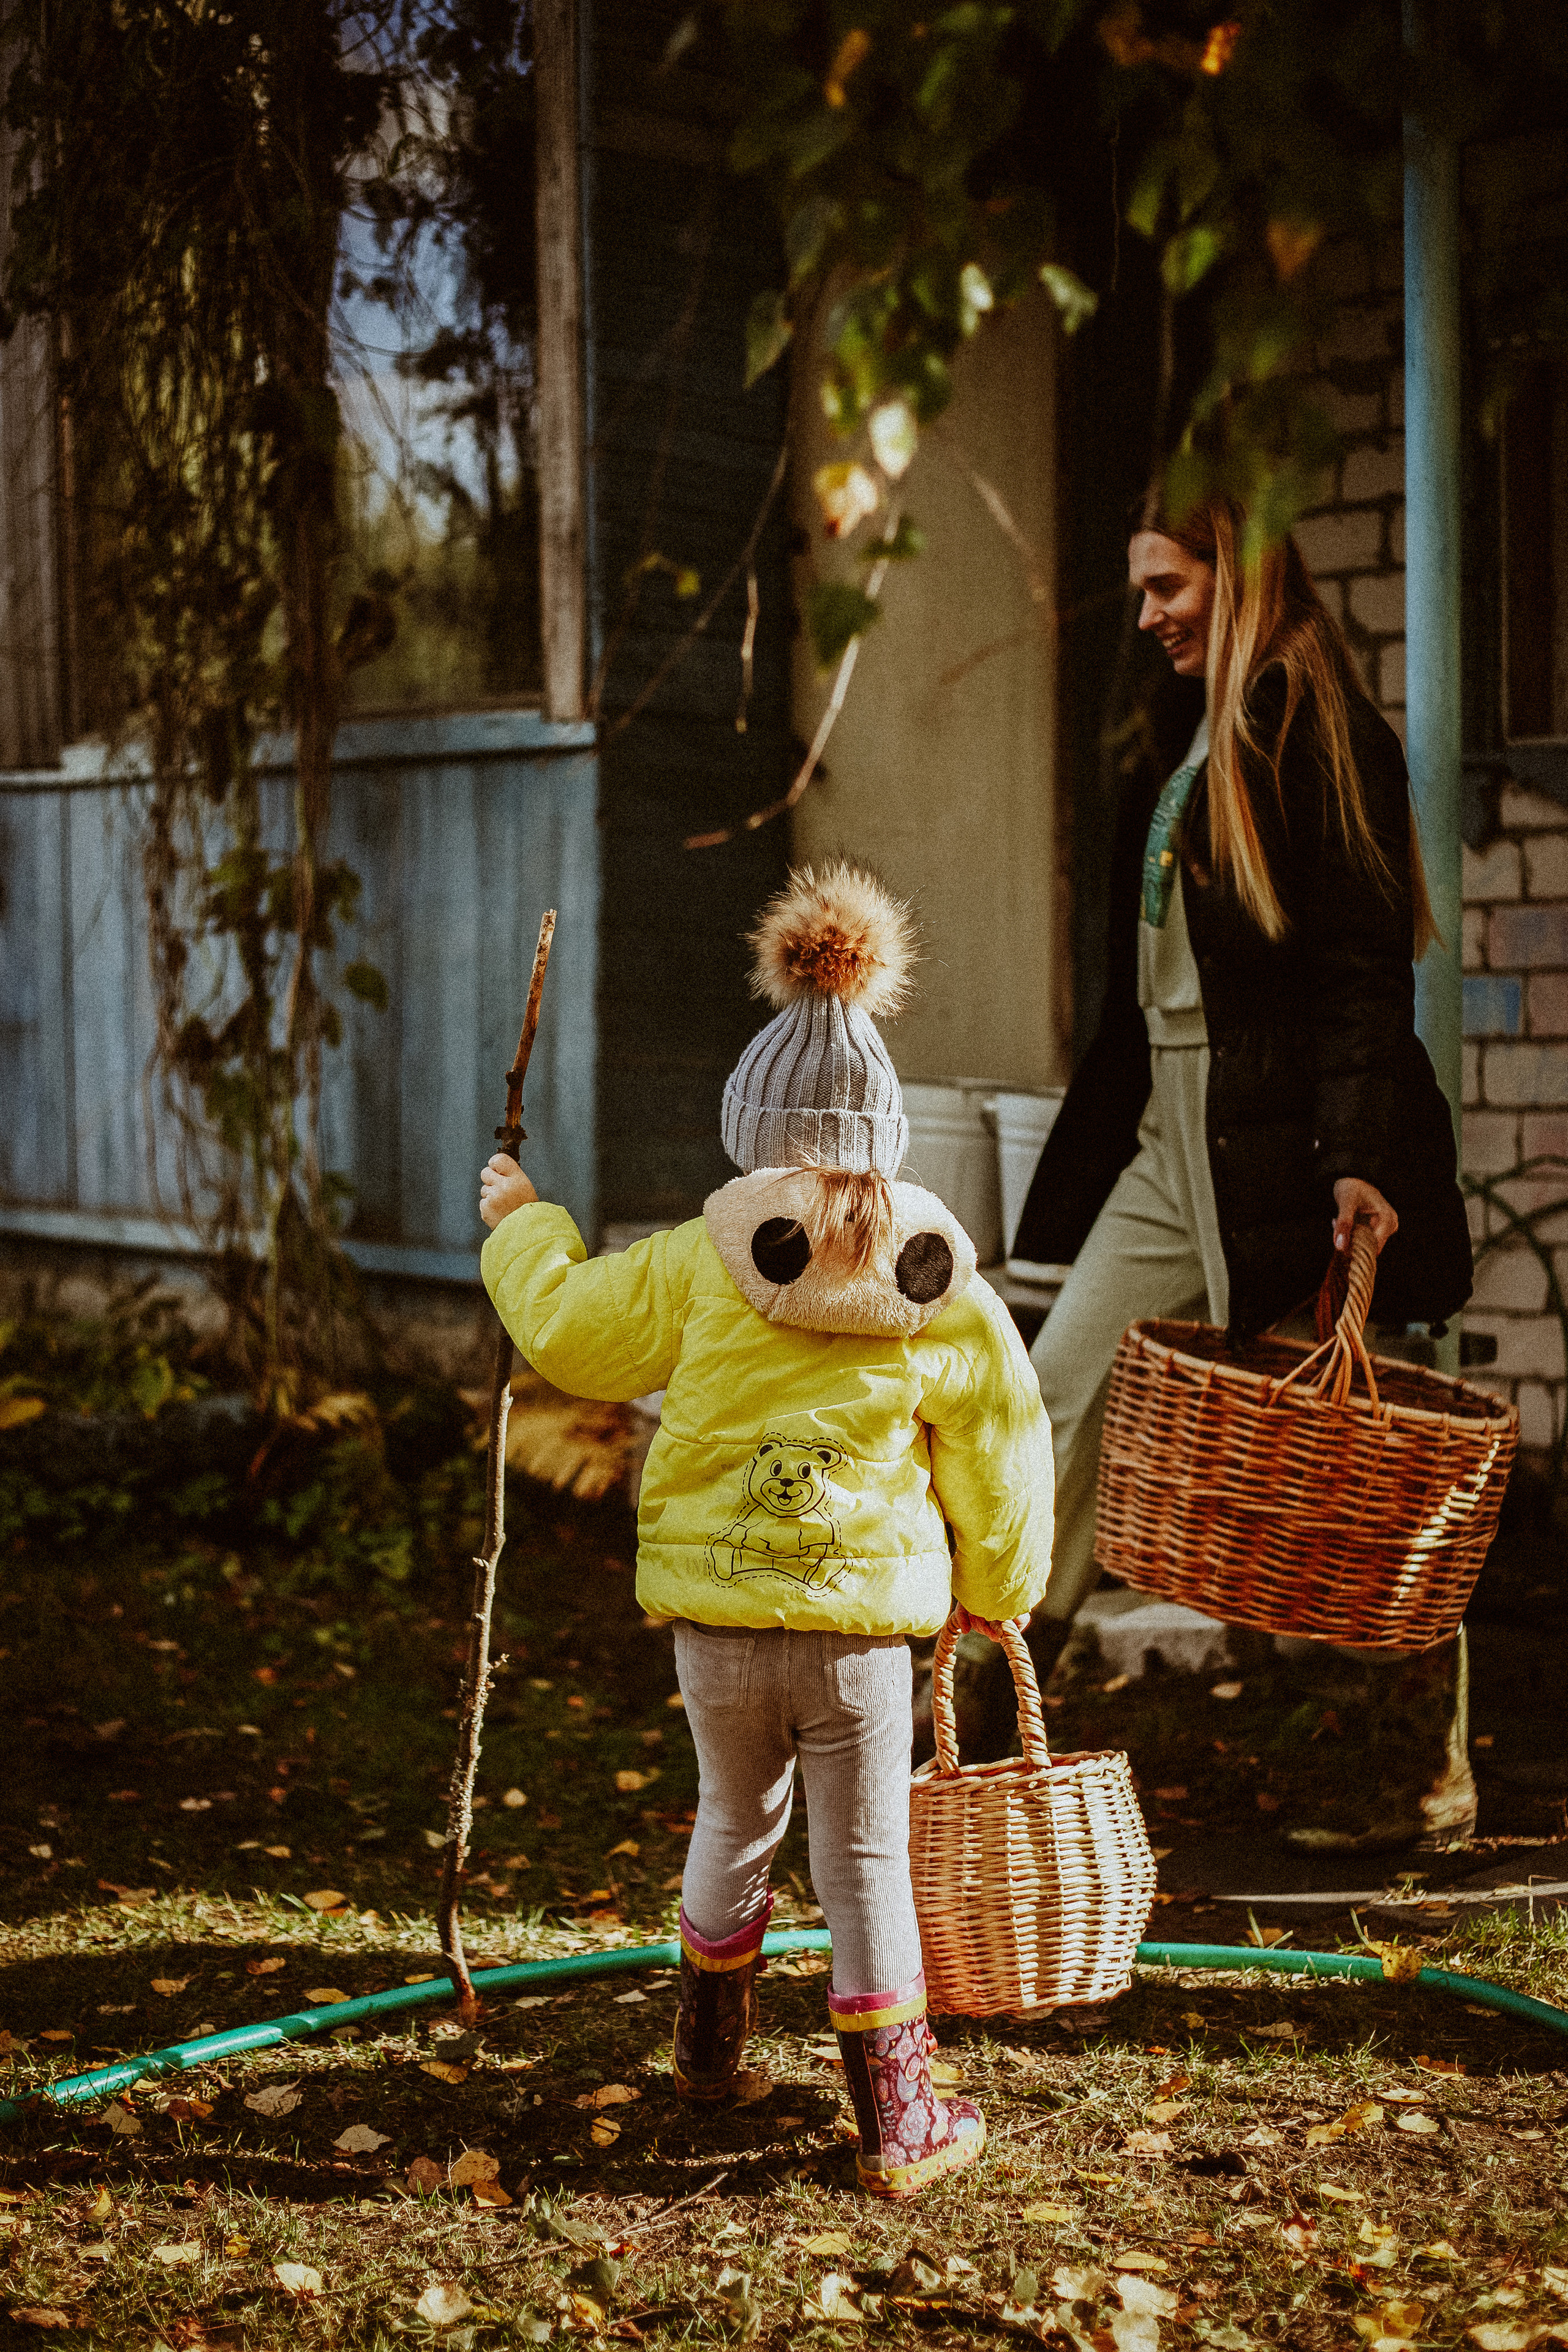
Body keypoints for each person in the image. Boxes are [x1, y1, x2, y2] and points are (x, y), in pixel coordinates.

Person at [477, 863, 1054, 2197]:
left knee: (730, 1820)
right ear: (883, 1132)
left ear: (752, 1126)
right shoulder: (938, 1284)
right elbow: (1001, 1435)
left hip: (719, 1623)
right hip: (860, 1645)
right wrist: (996, 1584)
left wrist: (523, 1226)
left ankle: (706, 2050)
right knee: (862, 1862)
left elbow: (568, 1331)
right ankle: (898, 2122)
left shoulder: (697, 1256)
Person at [995, 496, 1474, 1841]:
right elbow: (1144, 1003)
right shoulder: (1198, 730)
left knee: (1344, 1469)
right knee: (1051, 1395)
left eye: (1167, 585)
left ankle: (1412, 1773)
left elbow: (1359, 966)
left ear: (1240, 576)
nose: (1147, 615)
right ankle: (966, 1718)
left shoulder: (1312, 728)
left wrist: (1355, 1158)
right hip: (1173, 1135)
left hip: (1278, 1139)